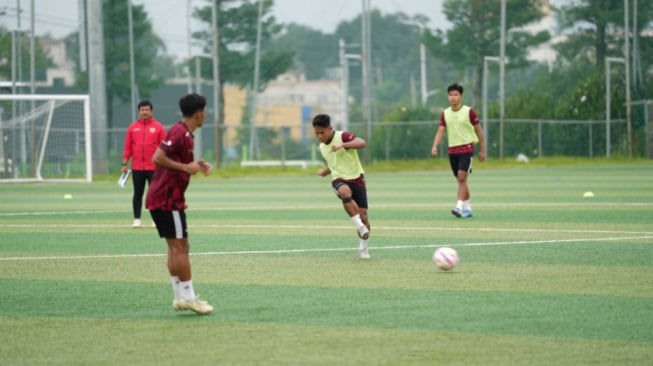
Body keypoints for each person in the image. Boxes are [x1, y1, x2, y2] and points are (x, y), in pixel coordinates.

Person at [146, 93, 214, 315]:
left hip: (164, 198)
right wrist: (186, 168)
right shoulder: (179, 132)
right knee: (180, 247)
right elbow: (158, 158)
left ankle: (179, 297)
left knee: (177, 247)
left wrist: (195, 164)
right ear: (198, 113)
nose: (206, 114)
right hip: (168, 199)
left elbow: (174, 161)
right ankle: (190, 297)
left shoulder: (184, 133)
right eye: (205, 111)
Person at [312, 113, 371, 259]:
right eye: (316, 133)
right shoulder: (322, 147)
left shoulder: (343, 136)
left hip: (357, 178)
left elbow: (362, 143)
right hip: (339, 179)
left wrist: (343, 145)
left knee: (364, 216)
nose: (319, 136)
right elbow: (334, 164)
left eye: (322, 132)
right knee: (344, 192)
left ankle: (363, 248)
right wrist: (325, 172)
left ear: (330, 129)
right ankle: (359, 226)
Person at [431, 82, 486, 218]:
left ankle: (458, 207)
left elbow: (479, 131)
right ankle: (468, 208)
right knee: (461, 180)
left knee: (462, 178)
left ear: (461, 96)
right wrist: (435, 146)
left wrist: (482, 150)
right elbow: (440, 131)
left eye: (456, 94)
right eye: (450, 95)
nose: (453, 97)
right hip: (452, 151)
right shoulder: (445, 113)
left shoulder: (469, 112)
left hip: (467, 149)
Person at [121, 100, 166, 228]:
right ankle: (137, 219)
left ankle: (156, 220)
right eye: (142, 110)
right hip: (137, 167)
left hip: (154, 167)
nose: (144, 112)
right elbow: (127, 147)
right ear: (139, 111)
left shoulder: (158, 127)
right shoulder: (133, 127)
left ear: (151, 111)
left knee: (154, 194)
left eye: (147, 110)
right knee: (138, 193)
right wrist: (124, 163)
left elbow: (164, 148)